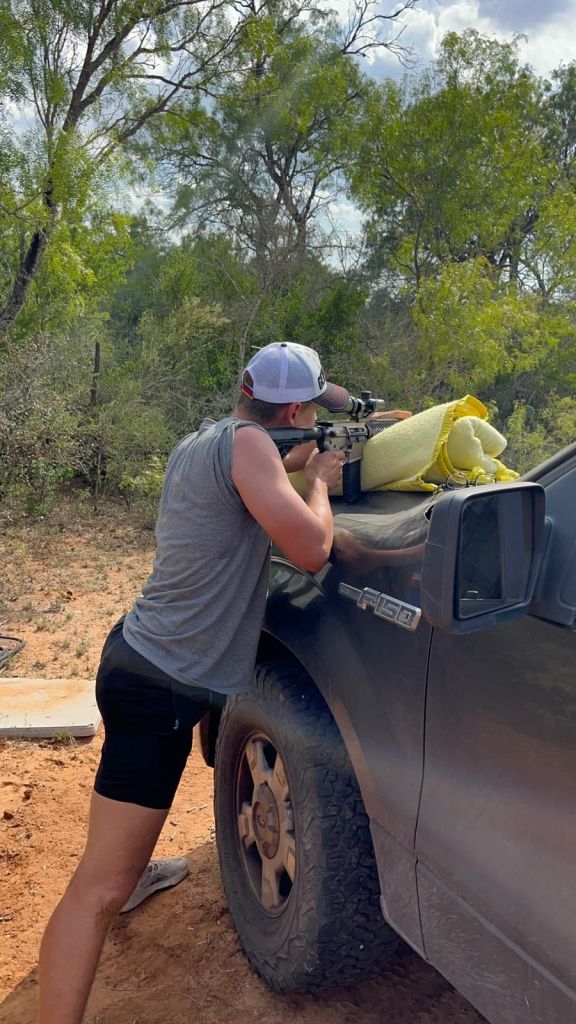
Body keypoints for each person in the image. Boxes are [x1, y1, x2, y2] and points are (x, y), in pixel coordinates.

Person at [37, 341, 350, 1024]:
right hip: (160, 684)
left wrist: (296, 459)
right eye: (310, 409)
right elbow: (312, 547)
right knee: (97, 890)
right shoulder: (251, 448)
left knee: (119, 835)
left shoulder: (207, 440)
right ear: (292, 412)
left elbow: (252, 478)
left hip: (137, 655)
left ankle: (132, 867)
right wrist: (320, 481)